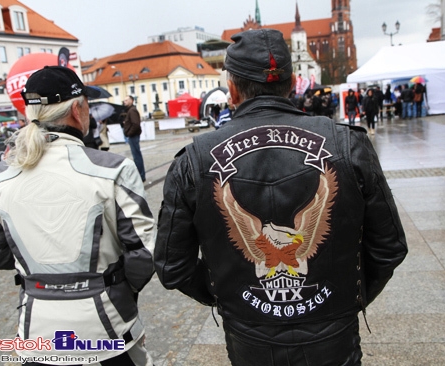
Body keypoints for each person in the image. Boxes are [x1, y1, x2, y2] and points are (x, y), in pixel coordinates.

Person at [154, 29, 407, 366]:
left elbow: (172, 267)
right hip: (333, 335)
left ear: (231, 89)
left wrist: (230, 298)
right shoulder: (348, 145)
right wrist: (345, 299)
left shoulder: (195, 160)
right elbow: (389, 248)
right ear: (291, 84)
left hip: (250, 338)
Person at [0, 66, 155, 366]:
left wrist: (34, 267)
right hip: (106, 328)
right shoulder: (113, 169)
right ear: (77, 108)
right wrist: (117, 286)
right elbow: (144, 252)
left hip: (37, 331)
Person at [123, 95, 146, 182]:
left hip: (133, 136)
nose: (124, 102)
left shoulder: (132, 110)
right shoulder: (130, 110)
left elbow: (136, 124)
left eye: (126, 100)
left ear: (131, 101)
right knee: (136, 155)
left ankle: (141, 175)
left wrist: (129, 133)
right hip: (133, 135)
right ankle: (140, 174)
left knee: (136, 156)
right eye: (124, 100)